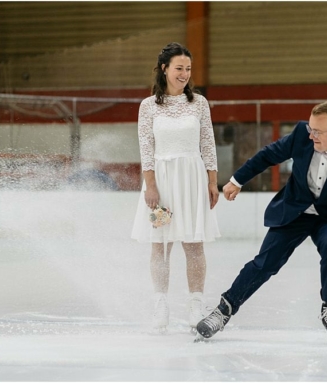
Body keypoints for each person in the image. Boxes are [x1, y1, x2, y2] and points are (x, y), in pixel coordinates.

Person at [196, 99, 327, 346]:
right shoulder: (302, 135)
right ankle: (224, 309)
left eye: (318, 131)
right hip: (296, 209)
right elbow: (268, 155)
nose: (311, 135)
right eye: (311, 129)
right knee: (266, 262)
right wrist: (237, 180)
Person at [131, 42, 220, 333]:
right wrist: (151, 185)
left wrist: (211, 181)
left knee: (194, 244)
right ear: (165, 69)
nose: (184, 74)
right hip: (162, 181)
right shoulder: (148, 106)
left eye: (188, 69)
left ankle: (196, 304)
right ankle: (161, 305)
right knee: (161, 245)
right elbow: (146, 147)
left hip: (192, 178)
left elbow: (207, 142)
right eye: (179, 68)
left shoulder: (199, 103)